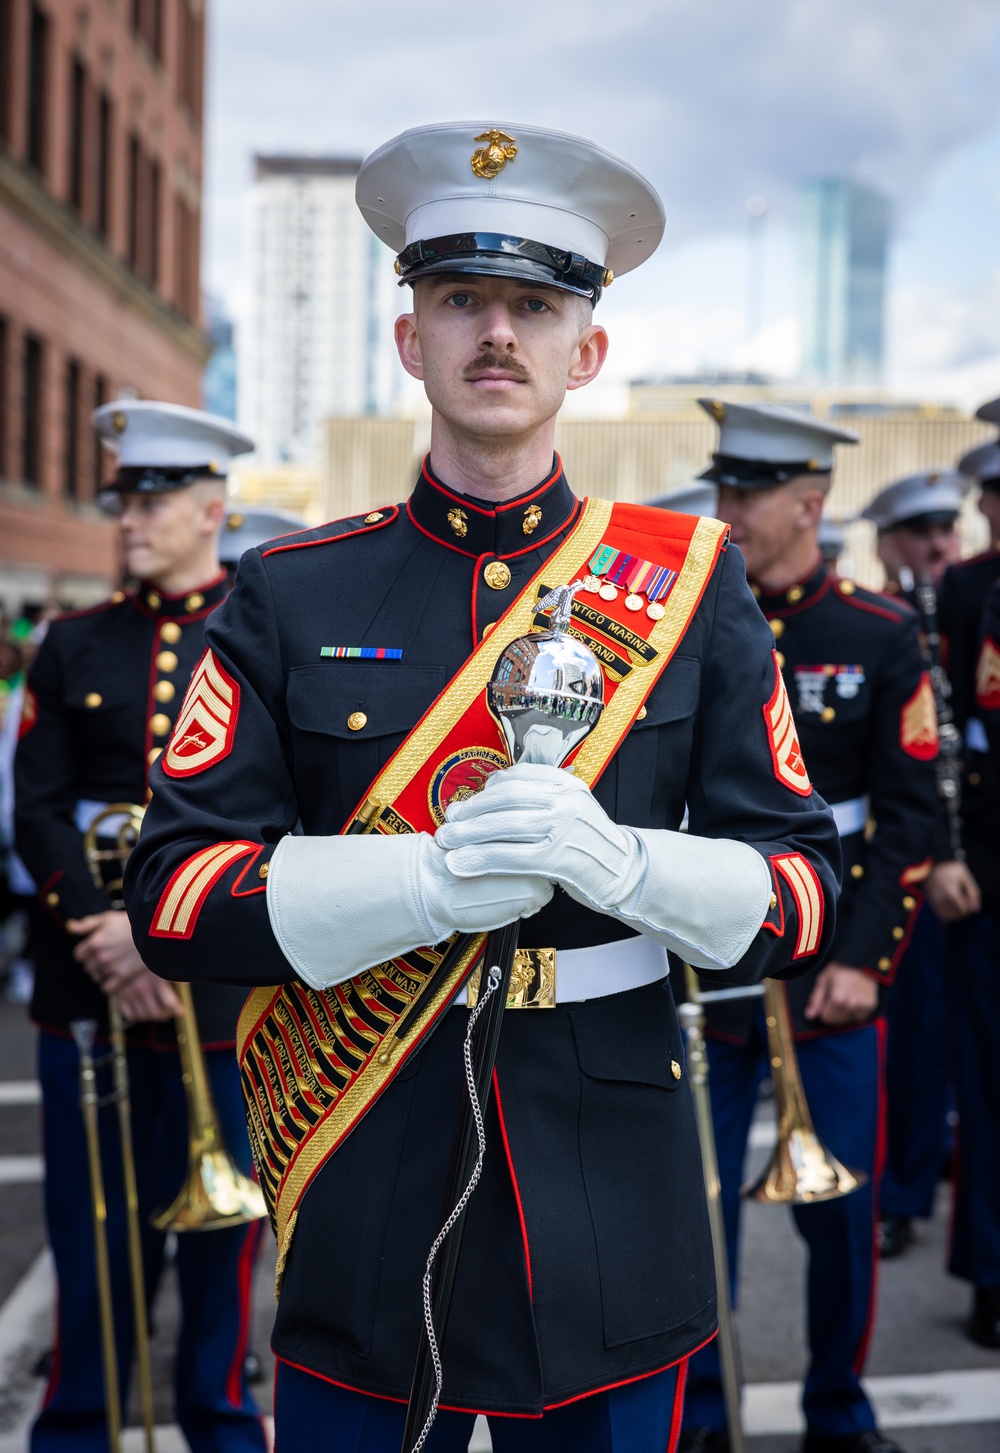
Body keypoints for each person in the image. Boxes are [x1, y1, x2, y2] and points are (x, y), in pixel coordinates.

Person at [124, 121, 841, 1453]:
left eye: (536, 303)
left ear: (589, 350)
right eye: (461, 299)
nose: (497, 333)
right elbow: (174, 894)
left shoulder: (692, 586)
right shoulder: (289, 594)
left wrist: (631, 867)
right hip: (366, 1168)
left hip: (615, 1176)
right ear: (412, 340)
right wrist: (417, 880)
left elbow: (805, 894)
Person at [679, 399, 941, 1453]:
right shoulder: (692, 624)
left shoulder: (878, 634)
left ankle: (838, 1409)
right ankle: (702, 1418)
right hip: (714, 969)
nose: (727, 510)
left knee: (839, 1217)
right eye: (722, 490)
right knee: (697, 1215)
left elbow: (911, 812)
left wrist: (861, 963)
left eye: (746, 494)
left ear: (809, 502)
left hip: (831, 976)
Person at [14, 400, 268, 1453]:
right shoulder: (73, 641)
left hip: (217, 993)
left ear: (212, 507)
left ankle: (218, 1428)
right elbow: (34, 805)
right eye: (123, 495)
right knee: (93, 1245)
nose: (128, 515)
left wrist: (160, 934)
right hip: (92, 988)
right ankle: (75, 1431)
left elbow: (273, 813)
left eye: (154, 497)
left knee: (223, 1259)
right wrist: (102, 928)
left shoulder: (259, 633)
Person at [857, 471, 970, 1259]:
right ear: (890, 545)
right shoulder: (884, 624)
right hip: (912, 867)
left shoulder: (962, 615)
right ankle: (899, 1190)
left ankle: (936, 1168)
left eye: (945, 531)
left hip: (969, 861)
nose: (936, 546)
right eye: (919, 534)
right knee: (913, 1033)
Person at [925, 397, 1000, 1346]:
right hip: (988, 862)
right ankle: (990, 1270)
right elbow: (937, 734)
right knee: (985, 1080)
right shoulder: (968, 591)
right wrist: (944, 853)